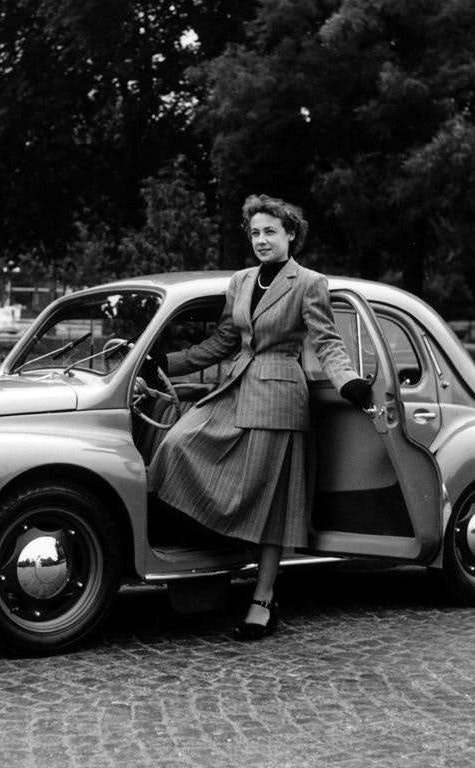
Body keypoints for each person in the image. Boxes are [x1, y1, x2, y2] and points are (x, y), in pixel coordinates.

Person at [147, 194, 371, 641]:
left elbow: (326, 342)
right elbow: (221, 344)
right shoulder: (242, 281)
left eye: (271, 231)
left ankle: (263, 600)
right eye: (255, 233)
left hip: (279, 399)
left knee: (271, 508)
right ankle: (210, 559)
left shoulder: (309, 283)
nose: (262, 240)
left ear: (291, 235)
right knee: (176, 446)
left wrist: (348, 382)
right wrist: (159, 363)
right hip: (234, 390)